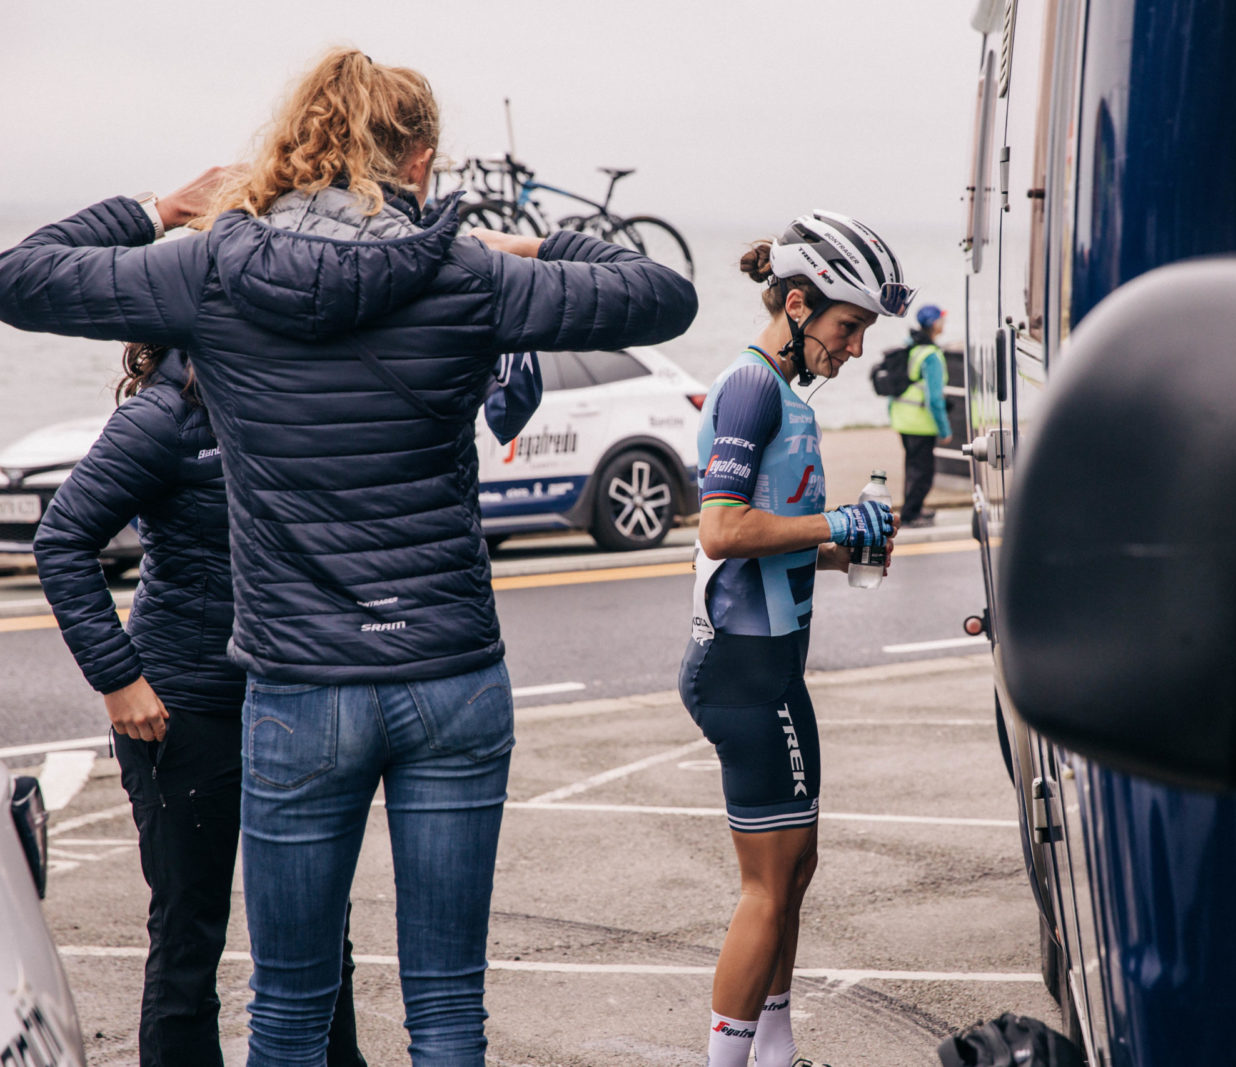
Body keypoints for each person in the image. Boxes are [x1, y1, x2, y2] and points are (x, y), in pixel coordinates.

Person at [0, 48, 696, 1066]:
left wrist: (157, 208)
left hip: (299, 684)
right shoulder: (467, 273)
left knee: (287, 1009)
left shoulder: (210, 270)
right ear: (417, 163)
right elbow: (661, 293)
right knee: (448, 1010)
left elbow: (20, 277)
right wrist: (532, 241)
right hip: (450, 672)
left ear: (297, 149)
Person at [31, 341, 539, 1067]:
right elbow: (62, 539)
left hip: (301, 698)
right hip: (188, 710)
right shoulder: (162, 420)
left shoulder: (289, 397)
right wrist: (119, 680)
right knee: (188, 933)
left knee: (322, 932)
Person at [679, 210, 911, 1067]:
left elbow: (769, 536)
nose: (854, 348)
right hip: (742, 668)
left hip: (774, 664)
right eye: (848, 327)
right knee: (767, 889)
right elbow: (722, 530)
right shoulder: (750, 387)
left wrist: (843, 543)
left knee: (797, 868)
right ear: (800, 304)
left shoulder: (785, 396)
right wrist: (832, 521)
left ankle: (775, 1054)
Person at [888, 304, 952, 528]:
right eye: (941, 320)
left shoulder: (911, 346)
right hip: (920, 423)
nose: (944, 323)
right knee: (923, 472)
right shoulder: (931, 356)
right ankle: (910, 515)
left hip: (903, 419)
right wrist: (944, 429)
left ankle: (914, 509)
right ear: (934, 324)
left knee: (912, 468)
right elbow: (935, 399)